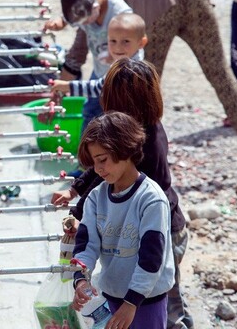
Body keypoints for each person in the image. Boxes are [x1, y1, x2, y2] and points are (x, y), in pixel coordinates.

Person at [71, 0, 237, 166]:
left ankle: (133, 158)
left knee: (143, 85)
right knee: (219, 70)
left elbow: (79, 45)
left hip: (160, 7)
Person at [52, 58, 192, 329]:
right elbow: (101, 173)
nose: (109, 108)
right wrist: (76, 196)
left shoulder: (147, 148)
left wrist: (130, 304)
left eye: (113, 100)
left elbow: (151, 258)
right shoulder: (117, 147)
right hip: (128, 239)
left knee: (167, 298)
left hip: (164, 230)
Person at [71, 111, 174, 329]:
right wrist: (81, 280)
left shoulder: (151, 199)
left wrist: (131, 303)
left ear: (125, 150)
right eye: (94, 163)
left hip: (146, 301)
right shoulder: (96, 198)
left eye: (103, 160)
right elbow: (85, 245)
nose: (98, 169)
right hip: (111, 297)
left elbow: (151, 258)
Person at [43, 0, 133, 132]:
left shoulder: (120, 16)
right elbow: (76, 57)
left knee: (118, 124)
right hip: (100, 73)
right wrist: (57, 95)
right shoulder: (84, 7)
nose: (85, 26)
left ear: (96, 7)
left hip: (121, 80)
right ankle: (86, 154)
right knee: (91, 116)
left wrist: (118, 56)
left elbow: (100, 86)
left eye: (86, 22)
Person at [50, 13, 147, 98]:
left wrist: (67, 86)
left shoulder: (128, 71)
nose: (118, 48)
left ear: (141, 43)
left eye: (126, 41)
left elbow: (97, 89)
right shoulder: (130, 62)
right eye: (113, 41)